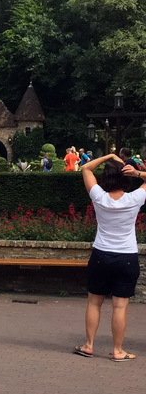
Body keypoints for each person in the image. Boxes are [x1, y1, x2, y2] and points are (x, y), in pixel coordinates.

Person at [75, 152, 146, 361]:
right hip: (126, 257)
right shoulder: (135, 198)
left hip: (101, 255)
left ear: (106, 178)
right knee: (120, 306)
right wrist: (138, 172)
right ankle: (117, 351)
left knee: (94, 303)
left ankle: (89, 345)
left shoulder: (99, 196)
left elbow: (85, 169)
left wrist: (108, 157)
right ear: (126, 178)